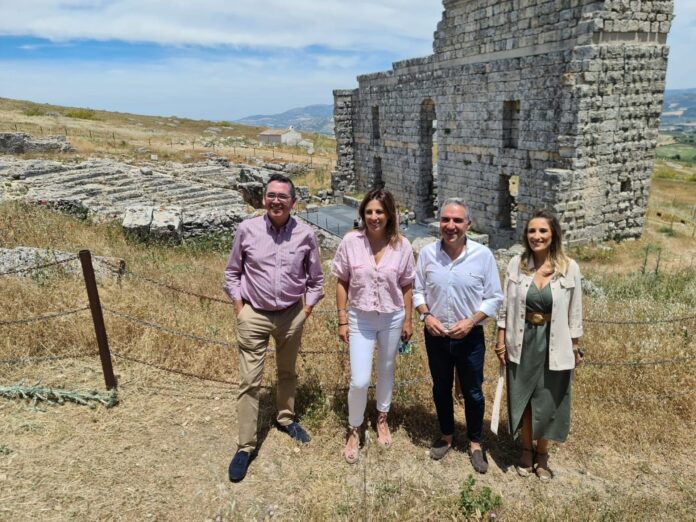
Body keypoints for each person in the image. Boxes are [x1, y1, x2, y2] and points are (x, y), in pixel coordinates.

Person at [223, 173, 325, 482]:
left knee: (286, 372)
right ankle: (245, 446)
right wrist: (240, 308)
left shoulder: (305, 235)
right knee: (250, 381)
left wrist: (305, 309)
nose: (276, 201)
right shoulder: (247, 230)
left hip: (291, 314)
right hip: (254, 313)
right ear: (263, 199)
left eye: (283, 196)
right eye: (272, 195)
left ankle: (285, 418)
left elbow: (317, 280)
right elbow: (232, 272)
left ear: (294, 202)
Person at [413, 198, 503, 474]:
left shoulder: (483, 256)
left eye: (457, 220)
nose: (450, 226)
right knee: (440, 388)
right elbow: (418, 291)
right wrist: (426, 316)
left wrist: (472, 320)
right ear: (439, 222)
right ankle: (447, 435)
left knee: (474, 392)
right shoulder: (427, 254)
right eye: (445, 220)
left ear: (468, 225)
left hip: (470, 336)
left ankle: (475, 443)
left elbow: (494, 297)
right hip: (437, 335)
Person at [496, 209, 583, 481]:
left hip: (554, 342)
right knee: (524, 398)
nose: (537, 236)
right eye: (532, 231)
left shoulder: (569, 267)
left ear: (553, 234)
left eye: (543, 231)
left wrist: (575, 344)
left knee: (548, 401)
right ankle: (525, 449)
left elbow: (575, 310)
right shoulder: (516, 265)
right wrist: (500, 341)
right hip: (522, 341)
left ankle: (542, 454)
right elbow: (505, 305)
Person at [332, 188, 415, 464]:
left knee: (386, 370)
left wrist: (408, 318)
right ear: (362, 213)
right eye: (369, 211)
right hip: (360, 317)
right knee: (360, 379)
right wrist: (342, 319)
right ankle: (354, 427)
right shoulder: (350, 241)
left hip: (392, 316)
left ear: (389, 214)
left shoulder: (402, 245)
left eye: (379, 211)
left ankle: (382, 417)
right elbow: (341, 281)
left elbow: (406, 284)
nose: (374, 217)